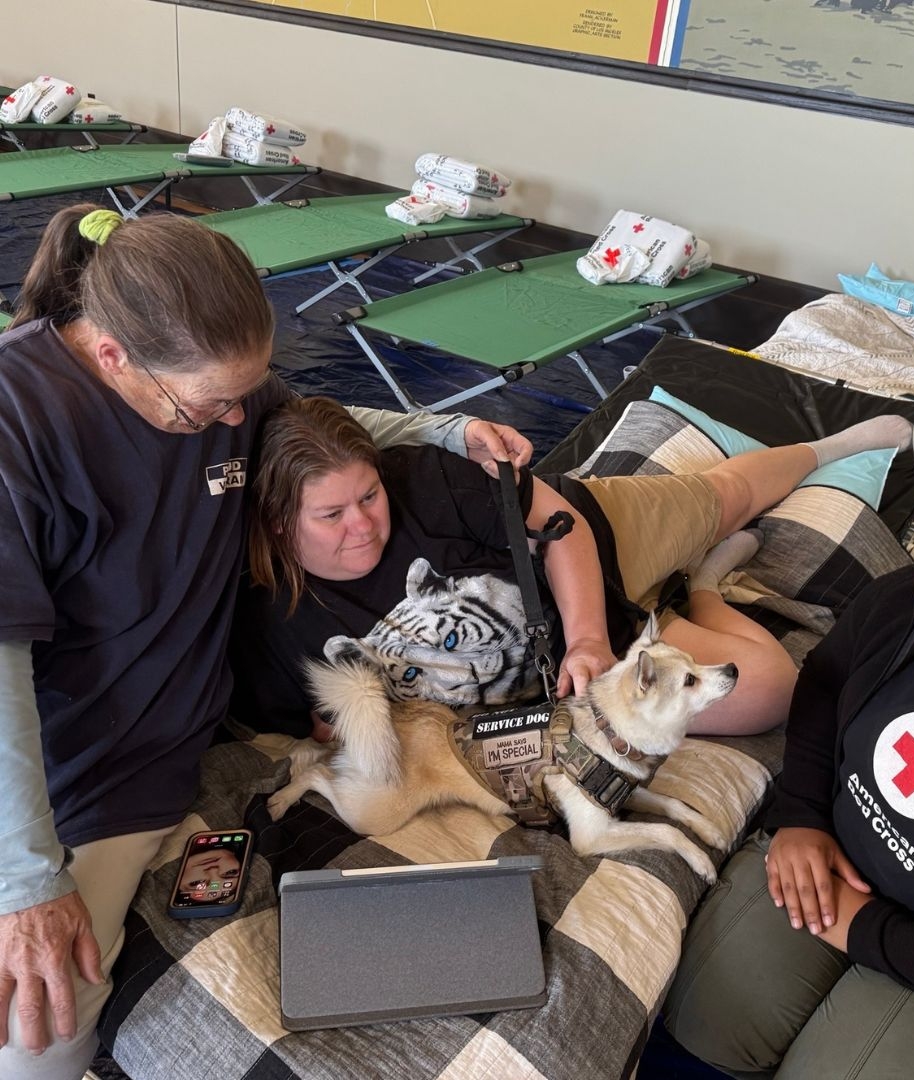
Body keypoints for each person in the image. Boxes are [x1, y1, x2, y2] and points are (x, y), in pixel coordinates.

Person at [0, 204, 531, 1080]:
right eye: (208, 406)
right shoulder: (20, 421)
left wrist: (448, 429)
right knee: (31, 1022)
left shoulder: (225, 398)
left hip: (138, 771)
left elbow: (316, 426)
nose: (233, 420)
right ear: (111, 357)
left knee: (35, 1048)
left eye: (246, 394)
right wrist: (24, 884)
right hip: (54, 766)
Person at [663, 423, 914, 1079]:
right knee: (706, 1017)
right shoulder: (910, 604)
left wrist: (866, 931)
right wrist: (800, 815)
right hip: (836, 862)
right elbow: (825, 683)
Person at [230, 395, 913, 742]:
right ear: (277, 522)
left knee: (724, 499)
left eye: (369, 496)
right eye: (331, 516)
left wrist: (589, 638)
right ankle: (702, 591)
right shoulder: (275, 625)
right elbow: (323, 731)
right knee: (770, 690)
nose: (363, 526)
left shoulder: (424, 476)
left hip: (588, 551)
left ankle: (830, 446)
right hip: (559, 693)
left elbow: (561, 526)